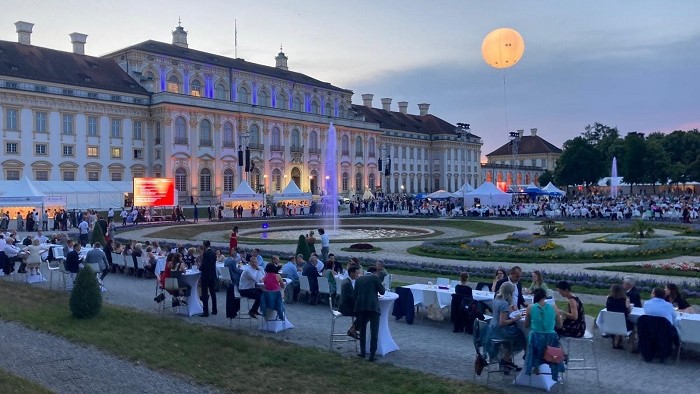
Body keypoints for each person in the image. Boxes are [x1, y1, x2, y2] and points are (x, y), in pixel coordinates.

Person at [484, 282, 526, 372]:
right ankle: (506, 358)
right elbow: (502, 322)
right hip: (499, 330)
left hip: (492, 326)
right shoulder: (504, 304)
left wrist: (509, 311)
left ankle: (506, 359)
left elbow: (500, 314)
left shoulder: (496, 299)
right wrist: (515, 318)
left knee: (515, 335)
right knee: (520, 335)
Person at [524, 288, 564, 378]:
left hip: (536, 338)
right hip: (551, 338)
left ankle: (535, 366)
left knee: (531, 340)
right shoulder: (553, 307)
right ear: (545, 297)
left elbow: (526, 325)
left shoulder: (530, 307)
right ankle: (554, 370)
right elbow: (560, 325)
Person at [353, 266, 385, 361]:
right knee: (374, 331)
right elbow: (382, 292)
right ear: (375, 272)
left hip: (362, 307)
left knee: (363, 331)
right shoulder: (375, 278)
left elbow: (355, 294)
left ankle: (362, 352)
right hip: (373, 307)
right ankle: (372, 355)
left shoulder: (359, 279)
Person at [606, 284, 633, 349]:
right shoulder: (626, 300)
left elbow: (607, 308)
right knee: (632, 325)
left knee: (617, 320)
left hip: (611, 321)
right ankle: (632, 345)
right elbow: (628, 311)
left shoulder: (609, 298)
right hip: (623, 322)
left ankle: (615, 340)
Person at [340, 265, 361, 339]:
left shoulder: (350, 281)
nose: (358, 275)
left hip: (349, 305)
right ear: (352, 273)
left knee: (364, 312)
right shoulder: (347, 284)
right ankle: (353, 330)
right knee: (364, 314)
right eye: (357, 273)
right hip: (346, 307)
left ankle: (353, 329)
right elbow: (349, 298)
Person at [199, 240, 218, 317]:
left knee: (204, 293)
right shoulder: (213, 253)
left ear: (204, 245)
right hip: (212, 275)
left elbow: (204, 265)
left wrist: (200, 268)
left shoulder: (206, 254)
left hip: (206, 276)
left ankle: (205, 311)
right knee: (213, 293)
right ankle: (214, 310)